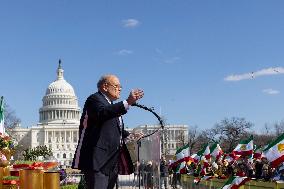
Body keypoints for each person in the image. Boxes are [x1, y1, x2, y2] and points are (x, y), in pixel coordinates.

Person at [72, 74, 144, 189]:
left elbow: (112, 128)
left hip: (111, 161)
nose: (120, 89)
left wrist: (130, 135)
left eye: (120, 86)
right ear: (105, 86)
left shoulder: (111, 105)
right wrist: (127, 102)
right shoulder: (95, 99)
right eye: (116, 85)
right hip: (97, 162)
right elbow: (102, 113)